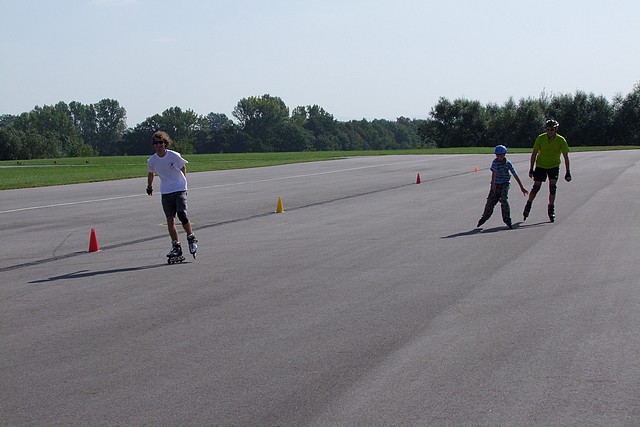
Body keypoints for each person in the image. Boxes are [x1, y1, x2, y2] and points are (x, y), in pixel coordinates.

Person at [146, 131, 198, 259]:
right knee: (170, 219)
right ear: (154, 145)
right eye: (156, 143)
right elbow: (151, 173)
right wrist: (149, 186)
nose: (159, 145)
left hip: (179, 188)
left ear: (165, 143)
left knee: (181, 214)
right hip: (166, 191)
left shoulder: (173, 155)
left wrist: (183, 181)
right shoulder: (152, 160)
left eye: (161, 142)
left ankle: (191, 237)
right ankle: (176, 246)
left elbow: (183, 167)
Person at [522, 119, 571, 223]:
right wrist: (531, 168)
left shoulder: (561, 140)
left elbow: (566, 157)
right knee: (536, 187)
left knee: (552, 188)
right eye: (548, 129)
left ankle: (551, 208)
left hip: (553, 166)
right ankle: (529, 204)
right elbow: (534, 153)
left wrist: (568, 171)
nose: (549, 132)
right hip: (541, 165)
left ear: (556, 129)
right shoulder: (541, 138)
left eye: (552, 130)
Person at [477, 145, 529, 229]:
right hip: (496, 184)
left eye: (501, 155)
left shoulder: (508, 163)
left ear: (504, 155)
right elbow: (493, 174)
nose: (499, 157)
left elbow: (514, 174)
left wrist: (521, 187)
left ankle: (507, 220)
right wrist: (493, 185)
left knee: (504, 200)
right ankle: (484, 218)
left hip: (505, 184)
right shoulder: (495, 162)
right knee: (490, 202)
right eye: (497, 155)